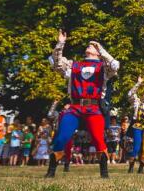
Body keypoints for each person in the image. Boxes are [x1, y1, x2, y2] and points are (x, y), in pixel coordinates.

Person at [46, 30, 119, 179]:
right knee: (61, 136)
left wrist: (102, 50)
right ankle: (51, 171)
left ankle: (104, 173)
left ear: (98, 53)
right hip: (75, 107)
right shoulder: (74, 65)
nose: (90, 46)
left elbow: (115, 65)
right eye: (90, 45)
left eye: (94, 46)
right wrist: (61, 43)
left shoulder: (104, 68)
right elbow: (56, 62)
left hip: (94, 108)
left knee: (98, 139)